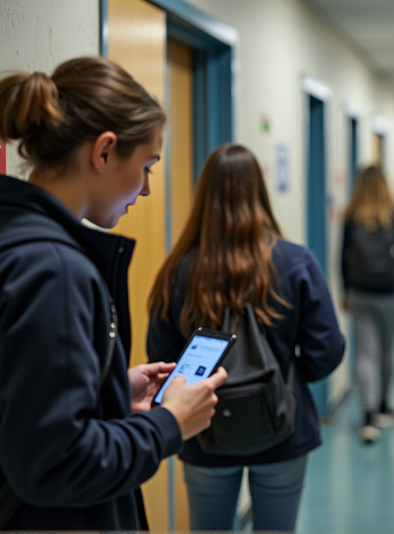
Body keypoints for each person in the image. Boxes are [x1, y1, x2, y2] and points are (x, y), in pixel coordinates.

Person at [0, 57, 225, 530]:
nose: (144, 189)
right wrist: (169, 424)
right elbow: (55, 463)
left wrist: (111, 390)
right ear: (103, 152)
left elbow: (3, 396)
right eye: (146, 166)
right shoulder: (53, 270)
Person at [146, 144, 345, 531]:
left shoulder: (178, 269)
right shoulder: (295, 261)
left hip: (203, 430)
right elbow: (328, 350)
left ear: (204, 197)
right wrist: (285, 375)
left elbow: (163, 358)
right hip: (282, 428)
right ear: (259, 193)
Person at [342, 165, 394, 443]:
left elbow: (343, 257)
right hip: (390, 292)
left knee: (366, 352)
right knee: (387, 351)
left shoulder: (351, 215)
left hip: (361, 292)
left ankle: (367, 416)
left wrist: (346, 291)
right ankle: (384, 404)